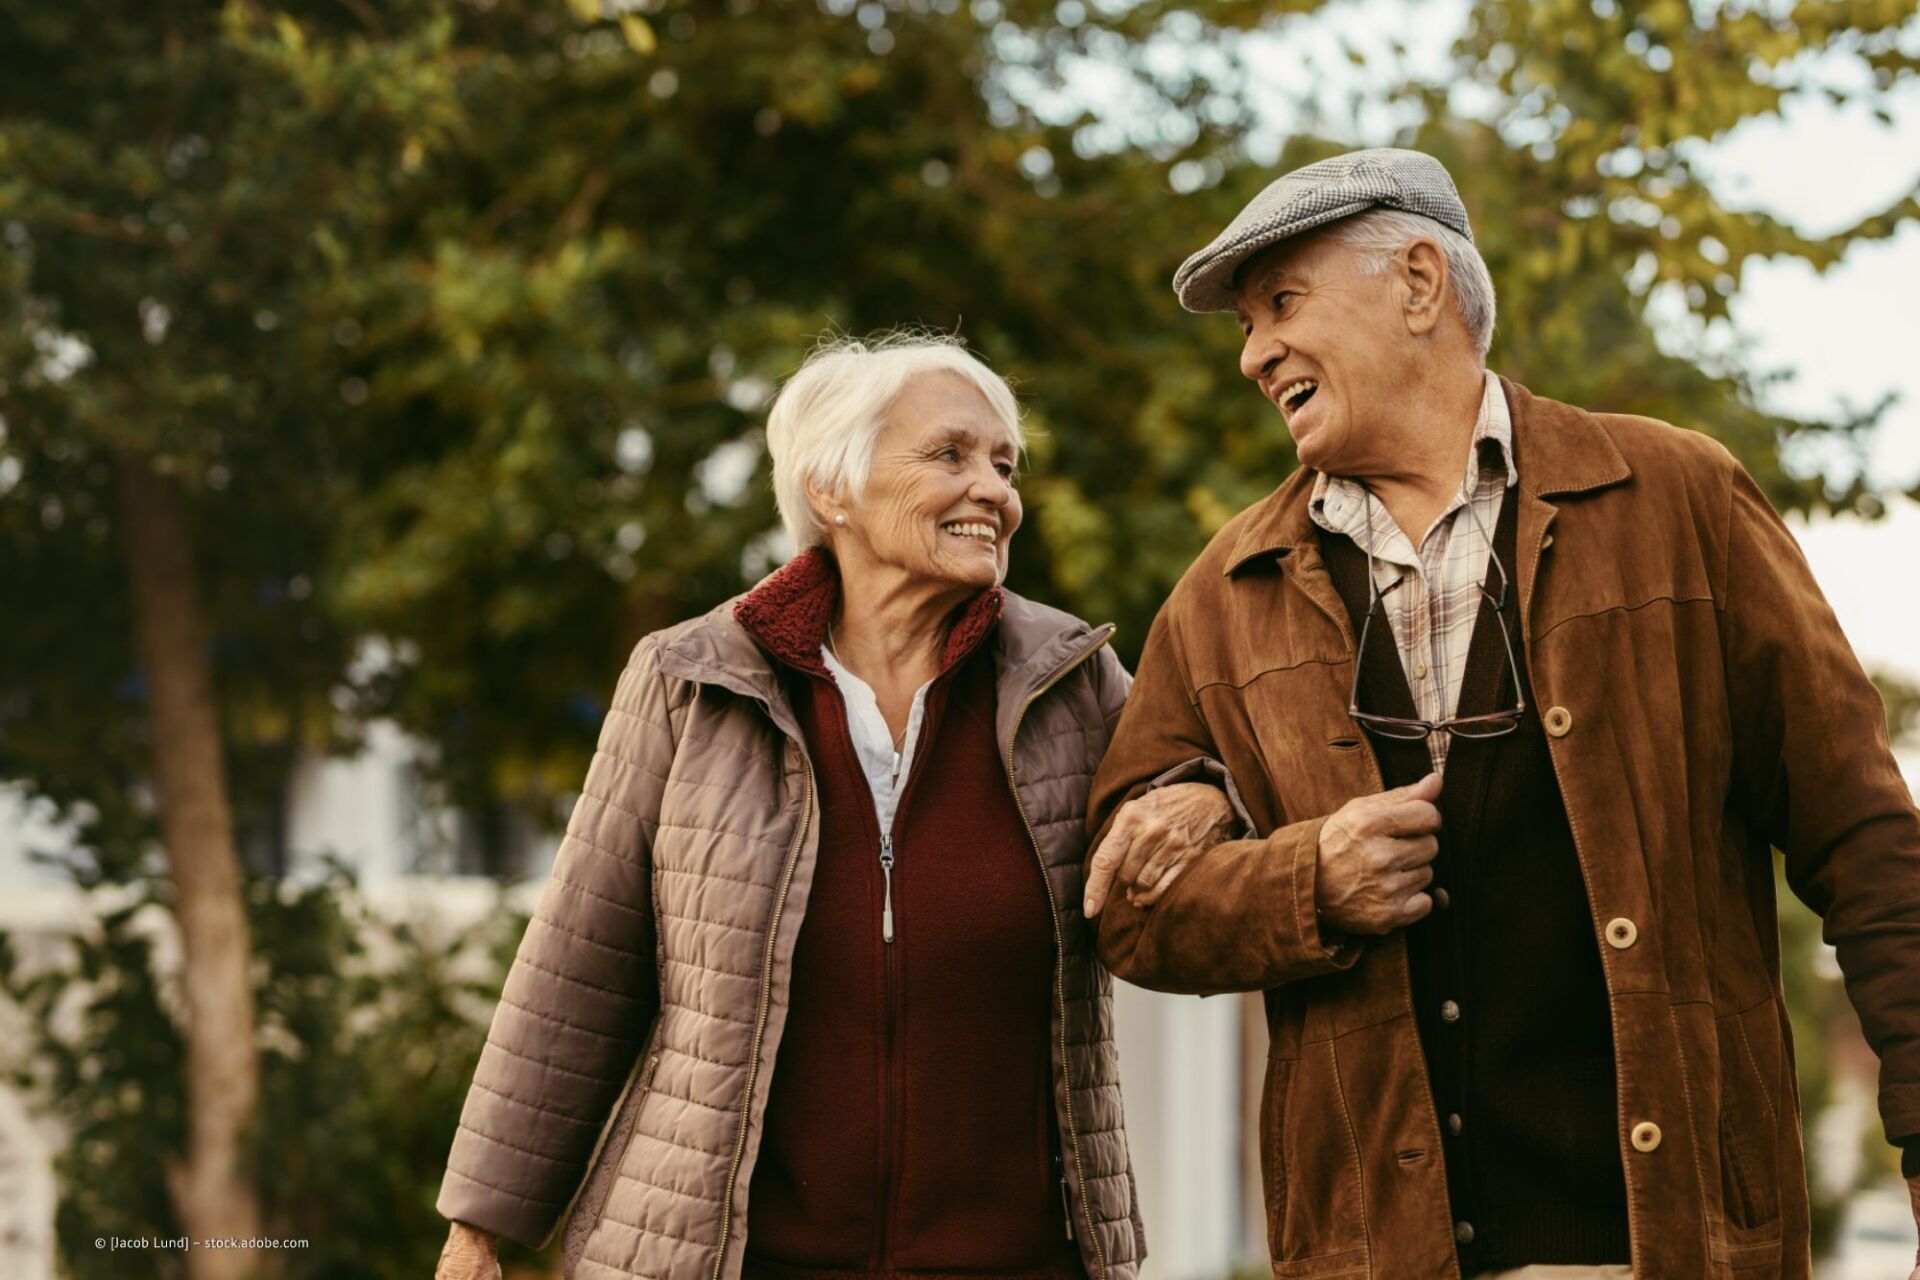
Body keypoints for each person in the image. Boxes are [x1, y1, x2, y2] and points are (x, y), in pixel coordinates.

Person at [1081, 147, 1920, 1280]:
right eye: (1244, 324)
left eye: (1281, 302)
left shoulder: (1682, 500)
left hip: (1661, 1246)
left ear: (1420, 282)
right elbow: (1129, 915)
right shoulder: (1224, 595)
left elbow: (1864, 836)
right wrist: (1306, 881)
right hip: (1380, 1259)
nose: (1253, 352)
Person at [432, 333, 1233, 1280]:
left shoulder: (1069, 680)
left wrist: (1208, 801)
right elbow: (580, 966)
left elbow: (1193, 792)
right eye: (950, 454)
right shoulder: (690, 681)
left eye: (1005, 465)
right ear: (832, 489)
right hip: (735, 1259)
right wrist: (480, 1228)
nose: (995, 491)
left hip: (1012, 1258)